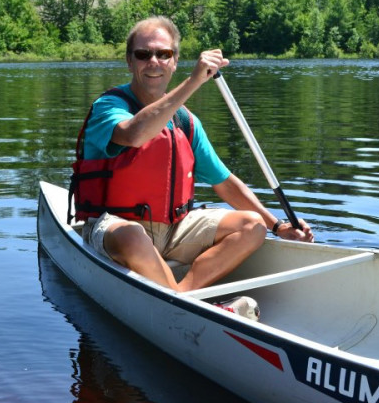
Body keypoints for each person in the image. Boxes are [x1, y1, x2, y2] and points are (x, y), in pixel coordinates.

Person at [70, 16, 313, 294]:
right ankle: (186, 302)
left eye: (164, 54)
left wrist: (278, 225)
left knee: (252, 225)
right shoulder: (109, 107)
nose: (154, 62)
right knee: (133, 236)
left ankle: (183, 293)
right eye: (143, 54)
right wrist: (193, 82)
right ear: (129, 61)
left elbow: (224, 182)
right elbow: (134, 134)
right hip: (115, 229)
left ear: (174, 61)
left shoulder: (186, 123)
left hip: (174, 230)